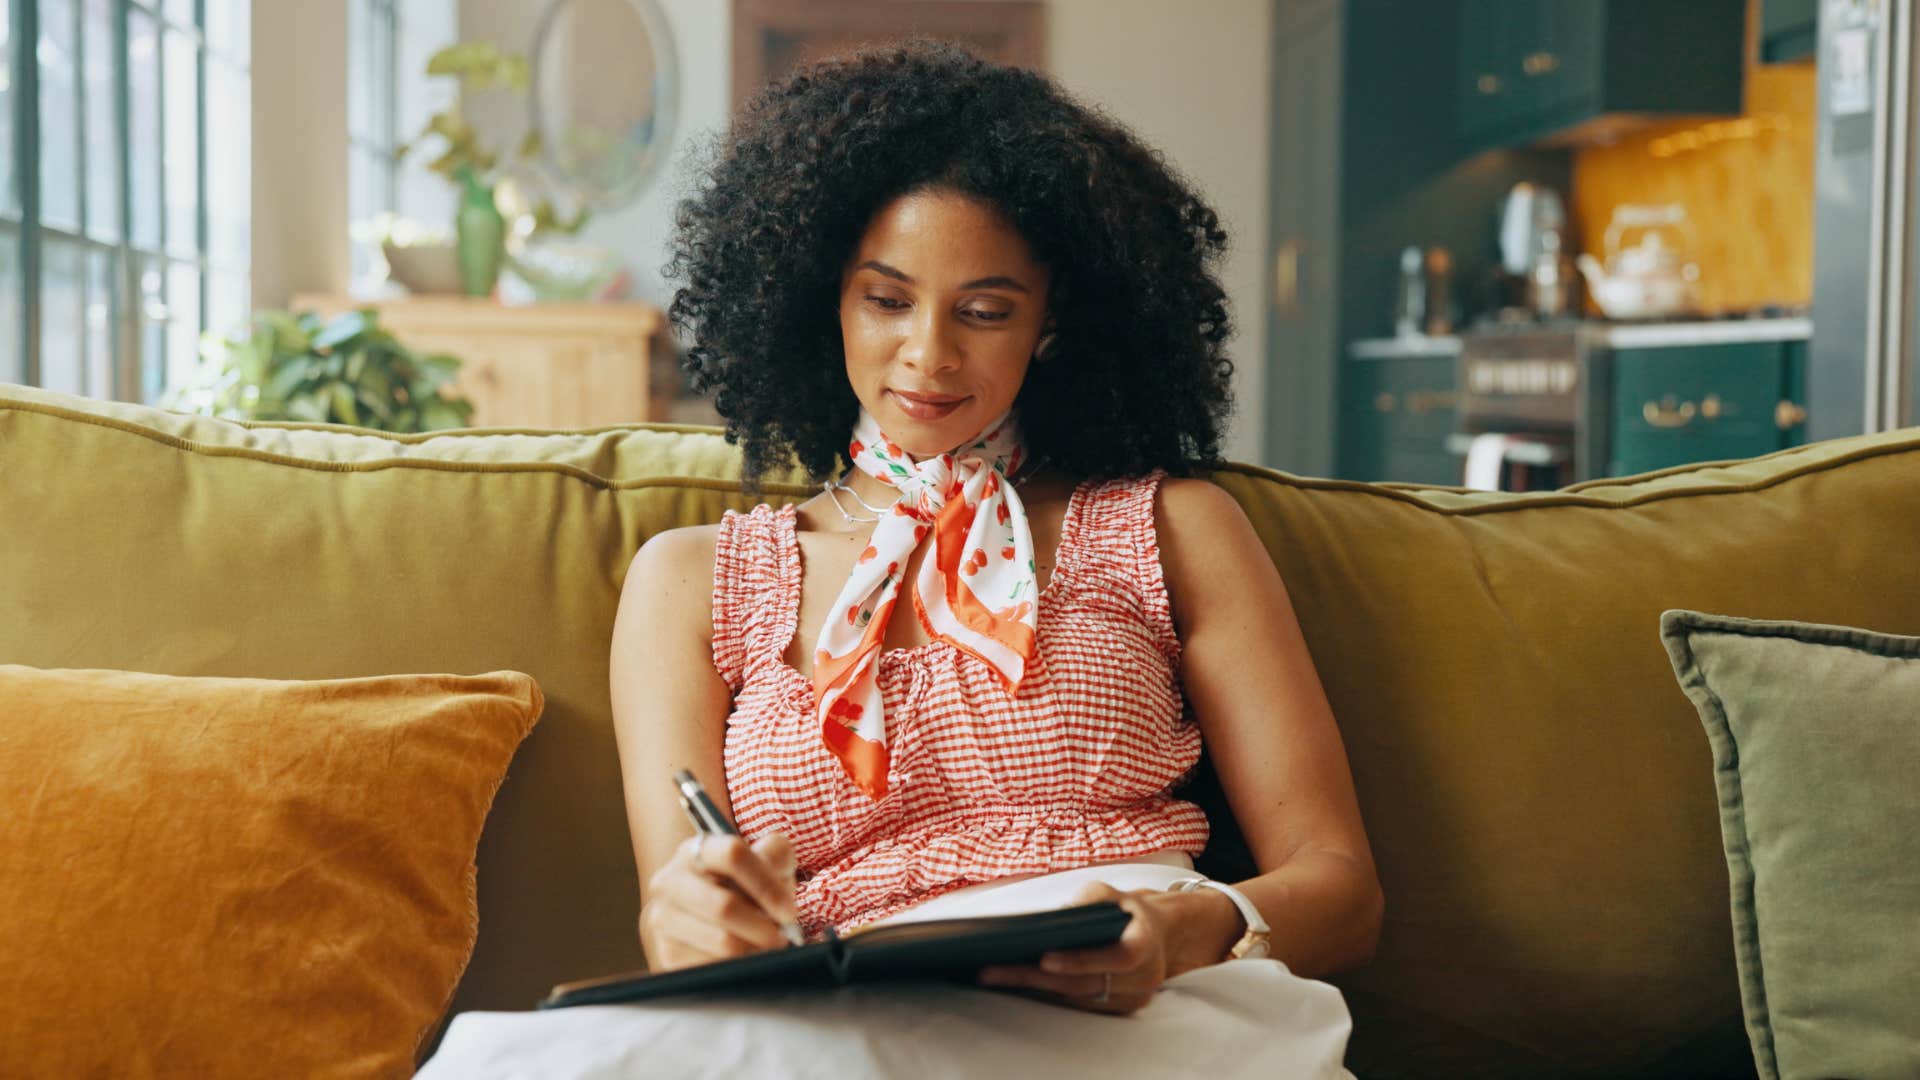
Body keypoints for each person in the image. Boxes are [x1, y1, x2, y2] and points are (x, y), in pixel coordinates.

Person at [421, 37, 1379, 1079]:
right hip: (844, 1010)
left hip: (1145, 1003)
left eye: (984, 311)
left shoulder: (1167, 527)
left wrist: (1184, 926)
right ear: (818, 295)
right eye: (887, 300)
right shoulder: (690, 581)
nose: (928, 355)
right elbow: (677, 922)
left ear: (1052, 326)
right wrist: (701, 918)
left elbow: (1340, 888)